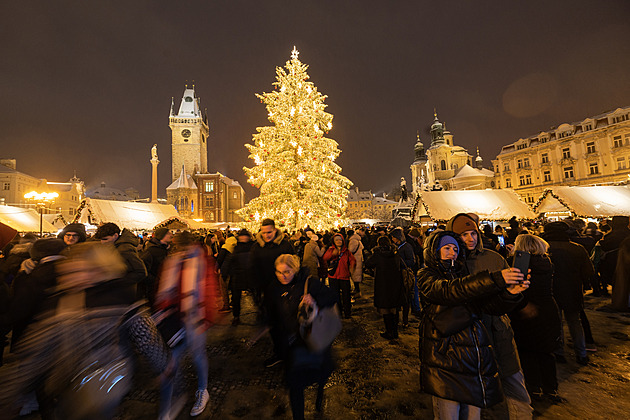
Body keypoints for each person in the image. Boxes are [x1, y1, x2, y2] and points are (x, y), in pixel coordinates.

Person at [418, 230, 528, 419]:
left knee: (472, 415)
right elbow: (448, 291)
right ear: (435, 251)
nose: (452, 252)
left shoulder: (462, 273)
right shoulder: (427, 274)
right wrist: (495, 279)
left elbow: (486, 306)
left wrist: (511, 293)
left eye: (454, 248)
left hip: (472, 359)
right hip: (445, 360)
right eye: (446, 248)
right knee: (448, 414)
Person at [447, 213, 533, 419]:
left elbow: (506, 298)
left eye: (473, 233)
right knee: (470, 391)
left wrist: (514, 293)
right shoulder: (449, 262)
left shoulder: (493, 258)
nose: (471, 239)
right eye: (464, 235)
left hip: (498, 331)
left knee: (513, 381)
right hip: (467, 336)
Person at [253, 254, 337, 420]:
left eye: (287, 272)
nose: (282, 276)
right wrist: (262, 327)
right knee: (295, 385)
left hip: (312, 341)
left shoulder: (309, 282)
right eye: (278, 272)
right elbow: (269, 312)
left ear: (295, 270)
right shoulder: (274, 288)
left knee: (319, 375)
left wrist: (315, 299)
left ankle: (319, 395)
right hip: (291, 345)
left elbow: (332, 297)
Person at [156, 231, 212, 418]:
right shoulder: (172, 261)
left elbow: (208, 288)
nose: (180, 252)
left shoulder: (200, 261)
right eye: (178, 249)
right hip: (175, 319)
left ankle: (202, 390)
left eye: (183, 249)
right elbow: (164, 290)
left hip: (194, 317)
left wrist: (205, 316)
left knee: (197, 356)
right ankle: (167, 406)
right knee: (171, 361)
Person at [508, 234, 562, 402]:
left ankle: (534, 387)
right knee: (546, 351)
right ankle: (551, 388)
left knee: (528, 350)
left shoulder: (523, 264)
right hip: (548, 308)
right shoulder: (546, 263)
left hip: (527, 308)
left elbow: (519, 288)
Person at [542, 221, 594, 365]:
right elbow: (588, 271)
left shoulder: (544, 249)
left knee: (556, 322)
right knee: (575, 322)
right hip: (573, 290)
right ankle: (581, 354)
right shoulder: (577, 248)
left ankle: (559, 353)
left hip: (551, 291)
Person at [251, 218, 295, 327]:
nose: (266, 235)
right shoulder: (256, 247)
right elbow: (253, 267)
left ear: (275, 230)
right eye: (264, 232)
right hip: (265, 288)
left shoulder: (285, 245)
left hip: (283, 286)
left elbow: (294, 264)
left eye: (269, 232)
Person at [94, 222, 147, 300]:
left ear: (115, 236)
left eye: (105, 239)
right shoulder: (113, 246)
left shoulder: (124, 249)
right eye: (101, 240)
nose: (102, 242)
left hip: (123, 293)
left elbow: (141, 271)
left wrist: (117, 282)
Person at [365, 236, 403, 340]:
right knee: (394, 308)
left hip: (383, 284)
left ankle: (389, 331)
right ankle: (395, 332)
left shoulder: (377, 254)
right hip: (395, 283)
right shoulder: (395, 252)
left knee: (386, 309)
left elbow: (368, 263)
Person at [222, 229, 254, 325]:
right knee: (236, 298)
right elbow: (229, 260)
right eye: (241, 236)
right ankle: (236, 316)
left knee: (256, 296)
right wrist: (225, 272)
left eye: (245, 236)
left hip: (250, 275)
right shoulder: (235, 248)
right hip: (238, 276)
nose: (243, 238)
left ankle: (261, 312)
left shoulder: (253, 246)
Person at [323, 233, 356, 319]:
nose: (338, 241)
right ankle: (338, 313)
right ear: (334, 241)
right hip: (333, 276)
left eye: (340, 240)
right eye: (336, 240)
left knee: (346, 296)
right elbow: (325, 258)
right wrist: (333, 254)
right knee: (335, 296)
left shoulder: (346, 251)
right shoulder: (330, 250)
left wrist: (351, 268)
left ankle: (347, 313)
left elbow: (353, 260)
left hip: (344, 276)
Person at [140, 227, 172, 307]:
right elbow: (143, 270)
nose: (171, 235)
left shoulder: (168, 249)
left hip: (166, 288)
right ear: (162, 236)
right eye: (168, 233)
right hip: (154, 289)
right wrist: (156, 280)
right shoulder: (151, 251)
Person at [390, 228, 415, 327]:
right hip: (397, 276)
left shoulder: (406, 247)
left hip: (404, 276)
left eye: (393, 237)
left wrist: (399, 263)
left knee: (405, 299)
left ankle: (405, 320)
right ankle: (397, 319)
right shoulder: (396, 247)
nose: (392, 239)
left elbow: (412, 261)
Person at [347, 229, 364, 299]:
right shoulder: (358, 240)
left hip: (355, 260)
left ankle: (357, 291)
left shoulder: (353, 241)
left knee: (355, 275)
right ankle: (357, 290)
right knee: (356, 275)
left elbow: (350, 250)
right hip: (359, 258)